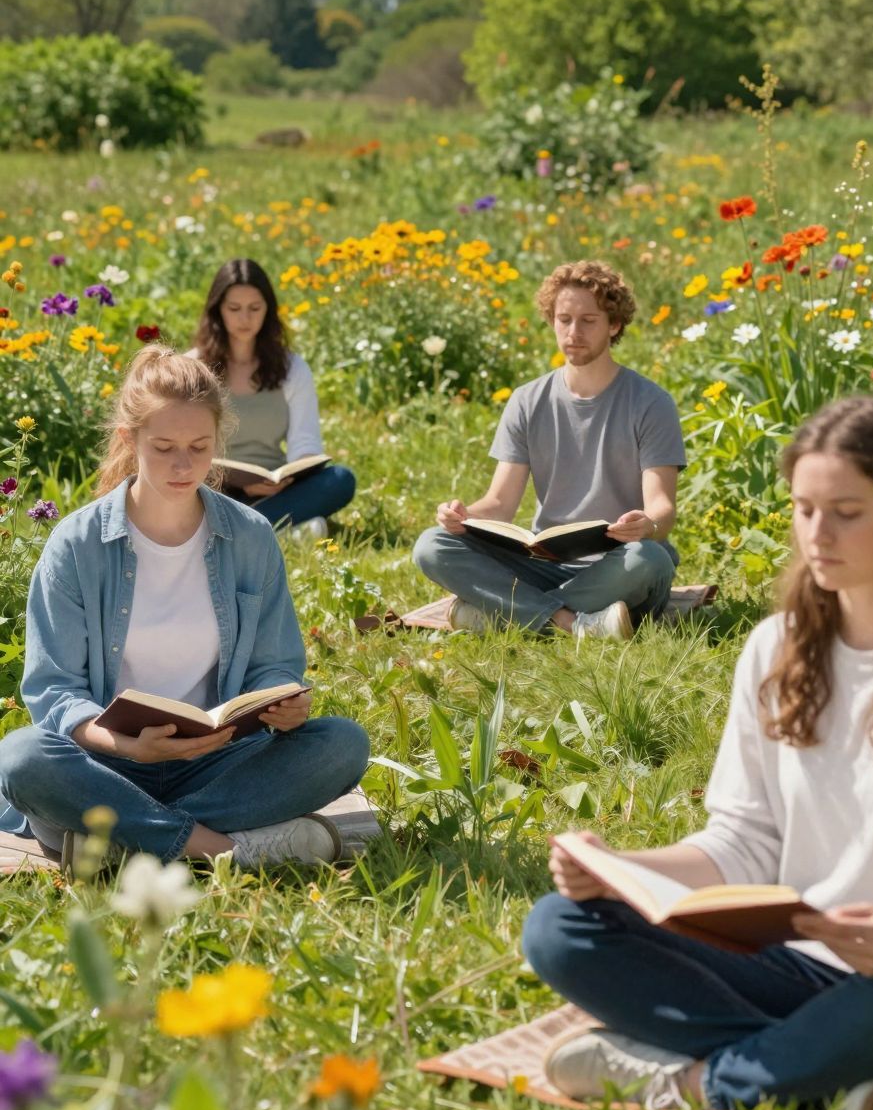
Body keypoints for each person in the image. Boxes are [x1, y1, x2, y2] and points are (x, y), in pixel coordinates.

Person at [522, 396, 873, 1110]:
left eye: (845, 511)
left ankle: (699, 1082)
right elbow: (741, 842)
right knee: (561, 927)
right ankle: (827, 1077)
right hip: (800, 972)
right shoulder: (775, 648)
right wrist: (618, 868)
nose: (818, 534)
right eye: (804, 510)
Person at [0, 347, 370, 870]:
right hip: (107, 761)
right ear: (130, 441)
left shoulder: (250, 536)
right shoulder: (77, 544)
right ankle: (223, 850)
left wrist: (286, 709)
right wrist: (129, 747)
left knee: (343, 743)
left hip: (217, 761)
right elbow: (55, 692)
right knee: (21, 757)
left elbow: (274, 665)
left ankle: (121, 838)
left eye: (199, 447)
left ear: (218, 440)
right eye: (165, 446)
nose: (183, 465)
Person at [412, 260, 685, 639]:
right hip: (544, 561)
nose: (574, 332)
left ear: (615, 325)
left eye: (588, 320)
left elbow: (663, 509)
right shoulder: (527, 400)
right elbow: (500, 504)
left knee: (650, 558)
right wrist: (463, 516)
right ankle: (571, 624)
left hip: (619, 563)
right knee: (431, 545)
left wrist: (648, 525)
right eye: (564, 319)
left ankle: (506, 614)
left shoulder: (651, 403)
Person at [193, 258, 355, 536]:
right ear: (218, 311)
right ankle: (283, 527)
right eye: (234, 309)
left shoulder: (292, 368)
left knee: (340, 479)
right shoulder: (193, 368)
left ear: (268, 310)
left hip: (277, 486)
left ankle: (242, 530)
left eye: (255, 308)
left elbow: (305, 441)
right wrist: (241, 486)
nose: (245, 319)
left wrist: (292, 474)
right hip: (213, 487)